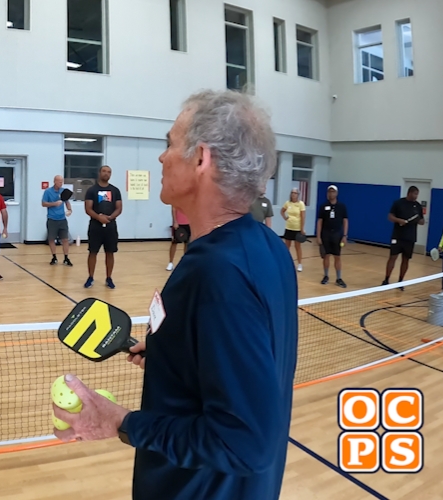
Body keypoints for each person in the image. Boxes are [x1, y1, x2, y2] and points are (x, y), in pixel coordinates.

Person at [52, 90, 297, 500]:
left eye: (169, 144)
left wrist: (121, 422)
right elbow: (247, 366)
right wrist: (179, 357)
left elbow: (244, 442)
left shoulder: (219, 272)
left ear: (201, 159)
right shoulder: (267, 248)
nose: (162, 157)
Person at [84, 165, 122, 289]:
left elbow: (119, 208)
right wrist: (98, 217)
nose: (106, 174)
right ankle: (90, 277)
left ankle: (109, 278)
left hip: (111, 227)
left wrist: (109, 218)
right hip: (95, 226)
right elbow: (88, 209)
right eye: (104, 171)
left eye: (109, 172)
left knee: (110, 252)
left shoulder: (115, 190)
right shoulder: (92, 190)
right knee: (93, 252)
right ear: (99, 173)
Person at [316, 185, 349, 288]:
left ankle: (339, 278)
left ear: (336, 193)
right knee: (326, 256)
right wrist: (318, 236)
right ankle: (326, 276)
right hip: (326, 233)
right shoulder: (323, 206)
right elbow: (320, 221)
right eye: (329, 192)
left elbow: (345, 221)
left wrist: (344, 235)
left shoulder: (342, 206)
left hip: (337, 234)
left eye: (333, 192)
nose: (331, 194)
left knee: (337, 256)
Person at [42, 175, 73, 266]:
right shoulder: (48, 192)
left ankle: (66, 258)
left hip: (62, 219)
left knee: (65, 239)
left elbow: (67, 202)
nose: (61, 183)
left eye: (62, 181)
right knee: (51, 239)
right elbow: (43, 203)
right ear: (55, 181)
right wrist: (54, 204)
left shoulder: (64, 191)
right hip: (52, 219)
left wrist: (70, 210)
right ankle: (54, 257)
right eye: (59, 181)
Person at [280, 188, 307, 272]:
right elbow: (282, 211)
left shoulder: (301, 204)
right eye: (292, 193)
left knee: (297, 247)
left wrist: (302, 229)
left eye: (295, 193)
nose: (293, 194)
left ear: (298, 195)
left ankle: (299, 264)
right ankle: (286, 263)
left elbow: (303, 217)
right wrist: (285, 217)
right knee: (287, 246)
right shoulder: (288, 203)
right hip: (288, 227)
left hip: (297, 228)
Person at [166, 206, 189, 271]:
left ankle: (185, 262)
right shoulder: (176, 198)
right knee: (174, 242)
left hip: (189, 223)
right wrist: (175, 221)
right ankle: (170, 263)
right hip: (179, 223)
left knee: (187, 243)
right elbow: (173, 209)